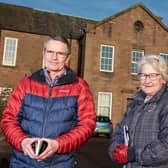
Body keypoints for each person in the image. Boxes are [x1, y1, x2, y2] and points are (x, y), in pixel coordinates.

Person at [1, 35, 96, 168]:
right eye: (50, 52)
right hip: (22, 162)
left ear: (67, 58)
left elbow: (87, 125)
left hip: (60, 163)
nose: (54, 57)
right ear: (44, 53)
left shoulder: (80, 87)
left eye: (60, 53)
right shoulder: (25, 84)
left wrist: (58, 144)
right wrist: (22, 142)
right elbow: (8, 119)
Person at [108, 55, 168, 168]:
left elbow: (166, 145)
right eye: (143, 75)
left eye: (153, 76)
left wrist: (133, 154)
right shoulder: (134, 104)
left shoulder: (165, 104)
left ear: (163, 79)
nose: (147, 80)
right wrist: (115, 150)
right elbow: (119, 132)